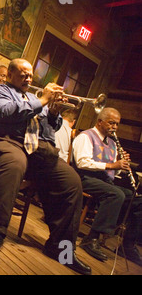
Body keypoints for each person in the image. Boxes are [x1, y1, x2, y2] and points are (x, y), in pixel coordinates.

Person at [0, 58, 91, 275]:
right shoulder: (0, 91)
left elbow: (50, 129)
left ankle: (61, 248)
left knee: (72, 181)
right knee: (14, 164)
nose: (28, 77)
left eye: (30, 74)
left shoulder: (34, 98)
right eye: (22, 73)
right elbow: (5, 113)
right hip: (3, 140)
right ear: (9, 75)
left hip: (35, 150)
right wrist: (44, 99)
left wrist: (53, 111)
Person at [72, 107, 142, 266]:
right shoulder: (86, 136)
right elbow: (82, 162)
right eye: (111, 123)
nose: (115, 127)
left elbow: (112, 173)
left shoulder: (112, 143)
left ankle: (128, 245)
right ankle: (92, 239)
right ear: (99, 121)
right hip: (84, 178)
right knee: (116, 194)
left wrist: (120, 166)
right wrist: (112, 164)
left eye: (117, 124)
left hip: (103, 181)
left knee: (138, 201)